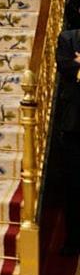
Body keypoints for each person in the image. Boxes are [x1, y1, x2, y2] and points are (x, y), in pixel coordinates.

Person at [54, 29, 80, 256]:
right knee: (73, 186)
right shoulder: (68, 38)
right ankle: (73, 240)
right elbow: (65, 66)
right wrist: (75, 66)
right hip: (74, 126)